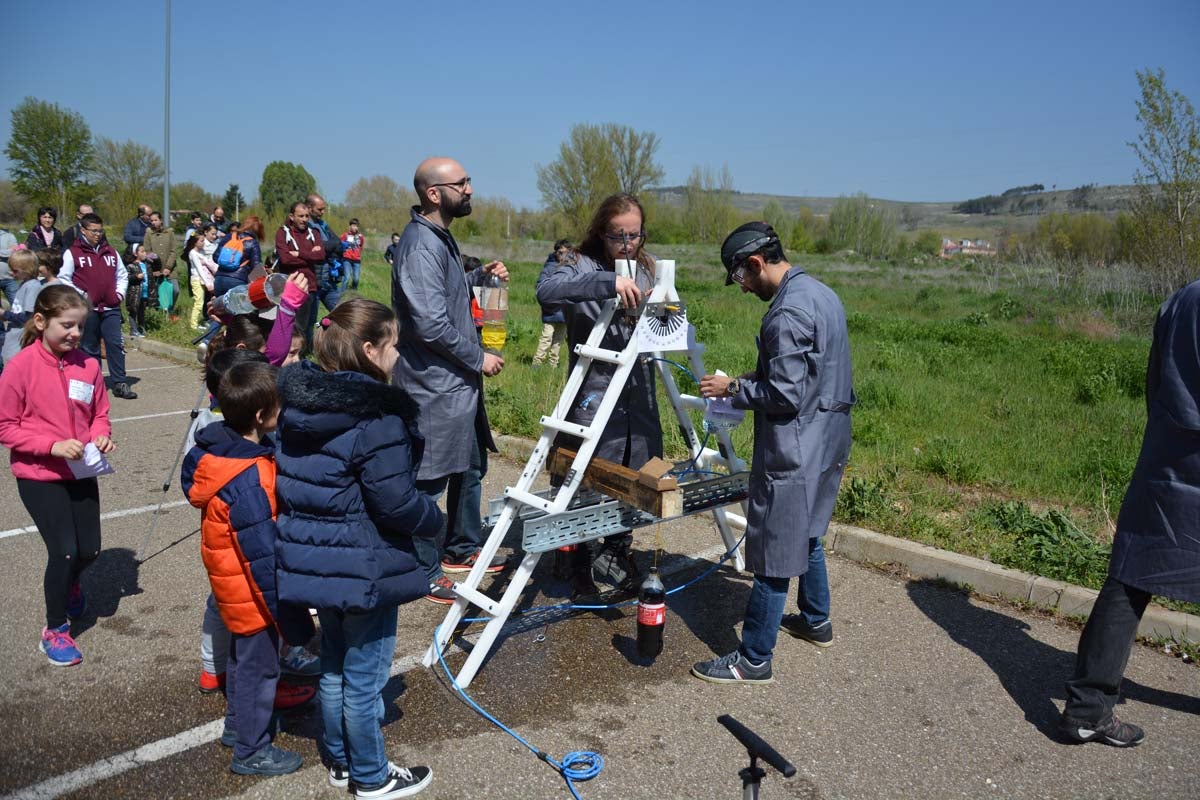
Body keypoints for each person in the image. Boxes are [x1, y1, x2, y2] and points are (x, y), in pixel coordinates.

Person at [275, 298, 441, 798]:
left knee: (333, 663)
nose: (397, 356)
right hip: (364, 563)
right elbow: (395, 502)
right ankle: (370, 775)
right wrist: (435, 519)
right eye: (392, 346)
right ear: (370, 350)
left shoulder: (299, 405)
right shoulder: (377, 417)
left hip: (315, 562)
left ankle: (342, 761)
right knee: (364, 678)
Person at [691, 222, 853, 685]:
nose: (742, 289)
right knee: (807, 530)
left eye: (740, 277)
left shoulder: (784, 315)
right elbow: (809, 373)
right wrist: (748, 380)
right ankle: (816, 621)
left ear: (756, 263)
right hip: (829, 438)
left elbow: (784, 395)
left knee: (774, 548)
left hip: (795, 446)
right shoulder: (822, 293)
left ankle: (754, 659)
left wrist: (733, 388)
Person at [1059, 280, 1200, 747]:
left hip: (1169, 460)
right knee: (1130, 579)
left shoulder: (1182, 299)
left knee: (1130, 578)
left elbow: (1154, 381)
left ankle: (1086, 710)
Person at [183, 360, 307, 776]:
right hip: (252, 593)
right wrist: (286, 615)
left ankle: (238, 729)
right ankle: (252, 751)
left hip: (231, 586)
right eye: (278, 407)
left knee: (241, 663)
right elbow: (262, 555)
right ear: (260, 417)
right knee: (260, 670)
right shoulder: (250, 477)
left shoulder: (216, 453)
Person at [392, 158, 508, 603]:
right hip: (434, 384)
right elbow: (428, 323)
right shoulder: (421, 244)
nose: (470, 189)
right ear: (434, 193)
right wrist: (478, 358)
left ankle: (461, 546)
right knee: (428, 479)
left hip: (456, 384)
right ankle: (422, 569)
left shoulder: (439, 238)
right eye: (461, 183)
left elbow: (446, 294)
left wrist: (480, 278)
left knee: (471, 465)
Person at [535, 193, 659, 596]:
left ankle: (618, 548)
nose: (626, 244)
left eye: (634, 235)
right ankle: (575, 556)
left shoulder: (648, 267)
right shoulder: (575, 263)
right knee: (584, 476)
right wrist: (608, 283)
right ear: (600, 232)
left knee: (636, 472)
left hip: (637, 393)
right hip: (593, 391)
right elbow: (547, 291)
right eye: (617, 235)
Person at [0, 285, 115, 666]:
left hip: (81, 470)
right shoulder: (20, 367)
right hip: (39, 473)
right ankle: (55, 630)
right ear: (40, 321)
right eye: (67, 325)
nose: (75, 334)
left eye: (80, 327)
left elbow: (100, 412)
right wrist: (50, 446)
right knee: (64, 550)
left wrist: (101, 434)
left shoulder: (89, 365)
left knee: (90, 549)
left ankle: (71, 583)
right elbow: (5, 426)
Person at [60, 213, 137, 400]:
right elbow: (64, 278)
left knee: (115, 345)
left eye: (100, 230)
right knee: (89, 347)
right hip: (88, 309)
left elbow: (122, 275)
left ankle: (120, 382)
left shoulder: (111, 252)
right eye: (93, 231)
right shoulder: (73, 253)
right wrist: (83, 296)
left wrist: (118, 294)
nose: (97, 234)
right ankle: (93, 383)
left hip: (111, 308)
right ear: (83, 230)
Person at [274, 202, 324, 353]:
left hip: (311, 285)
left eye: (307, 216)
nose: (304, 219)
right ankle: (291, 354)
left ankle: (306, 354)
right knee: (295, 324)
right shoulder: (282, 233)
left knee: (309, 324)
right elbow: (285, 259)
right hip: (291, 286)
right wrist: (310, 254)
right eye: (300, 216)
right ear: (291, 216)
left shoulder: (313, 233)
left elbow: (321, 256)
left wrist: (299, 253)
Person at [304, 193, 344, 319]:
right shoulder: (304, 227)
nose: (323, 212)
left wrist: (326, 246)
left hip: (329, 281)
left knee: (344, 314)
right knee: (309, 322)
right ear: (309, 208)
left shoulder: (323, 225)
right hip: (314, 282)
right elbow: (315, 250)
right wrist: (326, 247)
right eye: (319, 209)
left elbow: (338, 243)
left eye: (323, 209)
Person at [2, 250, 46, 363]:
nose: (12, 273)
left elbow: (28, 318)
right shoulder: (24, 284)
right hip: (13, 339)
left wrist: (4, 314)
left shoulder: (33, 287)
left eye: (15, 271)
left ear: (28, 269)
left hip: (20, 341)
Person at [532, 239, 570, 368]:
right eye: (560, 252)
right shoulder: (549, 268)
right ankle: (537, 363)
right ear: (556, 253)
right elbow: (540, 288)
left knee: (559, 340)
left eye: (566, 253)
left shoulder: (572, 267)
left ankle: (553, 364)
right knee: (546, 337)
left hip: (565, 311)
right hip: (551, 310)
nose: (563, 256)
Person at [213, 216, 265, 297]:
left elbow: (215, 257)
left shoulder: (229, 236)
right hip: (237, 281)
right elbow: (257, 267)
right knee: (237, 308)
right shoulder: (253, 243)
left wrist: (227, 263)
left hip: (219, 279)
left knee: (220, 308)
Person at [185, 227, 219, 330]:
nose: (203, 243)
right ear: (195, 242)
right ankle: (193, 325)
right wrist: (207, 283)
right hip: (196, 280)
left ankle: (198, 322)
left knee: (203, 301)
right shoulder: (193, 253)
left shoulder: (200, 252)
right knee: (198, 302)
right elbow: (199, 269)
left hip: (202, 280)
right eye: (201, 241)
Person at [144, 211, 178, 281]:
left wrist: (168, 267)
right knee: (159, 290)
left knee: (174, 290)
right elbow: (148, 252)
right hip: (156, 270)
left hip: (170, 269)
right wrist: (154, 268)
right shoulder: (148, 233)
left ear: (161, 220)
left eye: (155, 220)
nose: (153, 222)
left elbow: (173, 251)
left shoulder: (169, 232)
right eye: (151, 221)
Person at [123, 246, 148, 339]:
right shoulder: (131, 266)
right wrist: (136, 276)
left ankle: (141, 329)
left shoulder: (147, 265)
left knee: (142, 311)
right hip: (134, 293)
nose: (145, 253)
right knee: (133, 311)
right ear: (136, 253)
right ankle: (133, 330)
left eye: (145, 251)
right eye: (142, 251)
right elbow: (127, 277)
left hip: (144, 292)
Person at [340, 219, 363, 291]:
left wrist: (358, 254)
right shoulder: (345, 235)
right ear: (350, 226)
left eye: (357, 226)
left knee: (356, 278)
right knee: (347, 277)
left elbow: (361, 246)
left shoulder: (360, 236)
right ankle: (341, 293)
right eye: (353, 226)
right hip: (347, 258)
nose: (355, 227)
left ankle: (353, 291)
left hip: (357, 260)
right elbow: (339, 244)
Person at [0, 225, 19, 304]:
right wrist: (6, 251)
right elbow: (8, 252)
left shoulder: (9, 236)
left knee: (18, 305)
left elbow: (14, 252)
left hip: (9, 278)